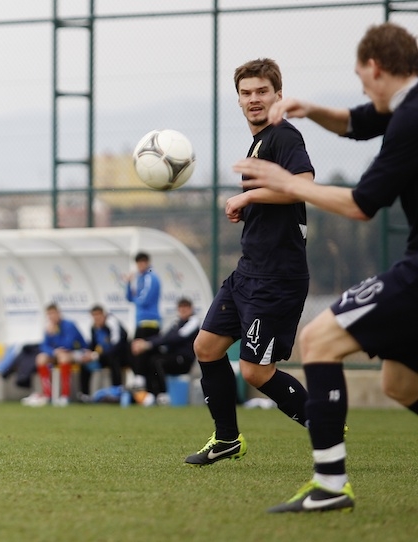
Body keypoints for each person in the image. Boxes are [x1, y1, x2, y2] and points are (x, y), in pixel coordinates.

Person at [234, 23, 418, 513]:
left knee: (319, 340)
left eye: (361, 77)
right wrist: (311, 108)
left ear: (375, 68)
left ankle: (331, 485)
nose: (361, 87)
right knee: (399, 383)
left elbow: (362, 203)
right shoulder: (405, 107)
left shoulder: (411, 120)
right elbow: (359, 121)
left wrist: (285, 185)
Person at [184, 58, 315, 466]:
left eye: (262, 91)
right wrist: (252, 209)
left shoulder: (283, 135)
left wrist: (248, 197)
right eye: (246, 93)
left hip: (277, 276)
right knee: (205, 347)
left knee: (256, 372)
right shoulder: (260, 141)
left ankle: (322, 422)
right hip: (249, 270)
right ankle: (226, 440)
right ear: (238, 99)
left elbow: (303, 186)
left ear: (278, 94)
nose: (253, 99)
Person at [131, 297, 200, 403]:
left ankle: (163, 395)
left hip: (184, 360)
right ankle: (147, 389)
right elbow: (164, 336)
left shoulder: (193, 322)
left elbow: (177, 337)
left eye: (185, 308)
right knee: (149, 357)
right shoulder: (176, 322)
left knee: (158, 361)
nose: (183, 311)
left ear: (191, 309)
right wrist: (143, 343)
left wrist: (148, 344)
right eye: (181, 308)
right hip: (173, 356)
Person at [21, 303, 87, 407]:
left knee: (64, 357)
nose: (51, 317)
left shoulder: (69, 325)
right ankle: (47, 395)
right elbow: (44, 346)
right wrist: (53, 352)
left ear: (58, 313)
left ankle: (65, 396)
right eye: (49, 314)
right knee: (41, 358)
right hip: (58, 354)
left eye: (53, 313)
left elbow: (69, 344)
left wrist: (55, 334)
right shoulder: (49, 327)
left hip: (77, 353)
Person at [124, 252, 163, 393]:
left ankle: (142, 380)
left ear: (147, 262)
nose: (140, 266)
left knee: (140, 350)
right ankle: (146, 386)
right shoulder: (140, 278)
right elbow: (129, 297)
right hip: (141, 322)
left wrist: (135, 298)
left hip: (150, 322)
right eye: (138, 263)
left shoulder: (151, 277)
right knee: (137, 351)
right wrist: (128, 283)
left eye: (142, 263)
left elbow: (143, 300)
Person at [80, 305, 129, 401]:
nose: (96, 318)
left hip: (121, 356)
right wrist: (88, 354)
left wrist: (95, 355)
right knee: (85, 364)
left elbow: (116, 346)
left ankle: (117, 392)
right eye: (94, 316)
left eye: (98, 315)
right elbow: (93, 345)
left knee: (114, 360)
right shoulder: (94, 328)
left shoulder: (112, 324)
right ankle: (85, 395)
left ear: (104, 315)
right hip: (103, 357)